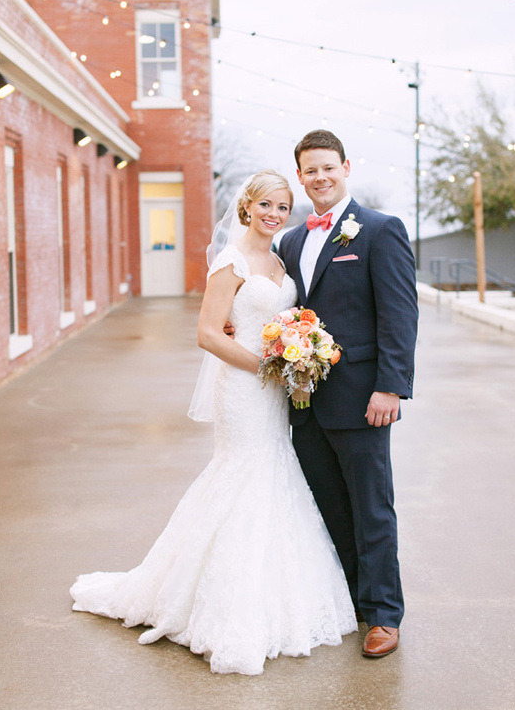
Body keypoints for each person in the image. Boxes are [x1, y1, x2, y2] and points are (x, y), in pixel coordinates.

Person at [70, 170, 357, 677]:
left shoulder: (280, 259)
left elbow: (286, 317)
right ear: (246, 206)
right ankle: (216, 604)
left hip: (276, 390)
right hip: (246, 389)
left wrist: (294, 358)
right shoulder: (230, 261)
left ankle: (276, 595)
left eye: (282, 207)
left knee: (272, 474)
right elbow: (208, 333)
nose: (274, 214)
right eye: (266, 204)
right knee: (242, 472)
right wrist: (270, 367)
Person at [278, 130, 418, 658]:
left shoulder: (380, 231)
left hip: (363, 399)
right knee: (330, 506)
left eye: (327, 168)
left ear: (345, 167)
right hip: (303, 403)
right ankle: (355, 602)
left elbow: (400, 315)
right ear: (300, 176)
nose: (319, 177)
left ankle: (384, 614)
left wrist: (390, 386)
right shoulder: (291, 241)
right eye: (309, 170)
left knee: (371, 507)